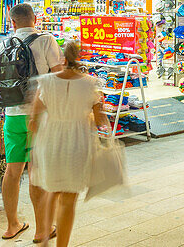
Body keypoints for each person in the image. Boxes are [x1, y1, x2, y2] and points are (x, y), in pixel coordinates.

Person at [0, 3, 65, 243]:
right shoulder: (46, 40)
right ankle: (42, 229)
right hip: (39, 115)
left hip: (12, 115)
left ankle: (11, 225)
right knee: (36, 170)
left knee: (13, 170)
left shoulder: (1, 43)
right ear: (35, 18)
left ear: (12, 22)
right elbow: (58, 75)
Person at [29, 40, 110, 247]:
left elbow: (33, 118)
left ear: (62, 58)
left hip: (51, 141)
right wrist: (104, 136)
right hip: (77, 142)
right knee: (68, 199)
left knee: (51, 191)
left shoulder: (45, 81)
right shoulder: (91, 83)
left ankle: (45, 238)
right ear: (81, 58)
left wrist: (38, 144)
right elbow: (100, 119)